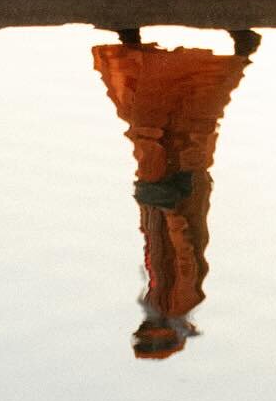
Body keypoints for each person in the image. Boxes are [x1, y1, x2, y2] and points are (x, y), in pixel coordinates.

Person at [93, 26, 259, 359]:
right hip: (174, 193)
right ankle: (240, 51)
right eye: (153, 337)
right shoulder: (180, 301)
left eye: (144, 336)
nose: (146, 330)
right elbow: (185, 252)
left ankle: (135, 45)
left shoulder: (161, 302)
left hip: (164, 193)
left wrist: (157, 207)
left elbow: (156, 248)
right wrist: (172, 211)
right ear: (168, 334)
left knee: (157, 121)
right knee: (179, 123)